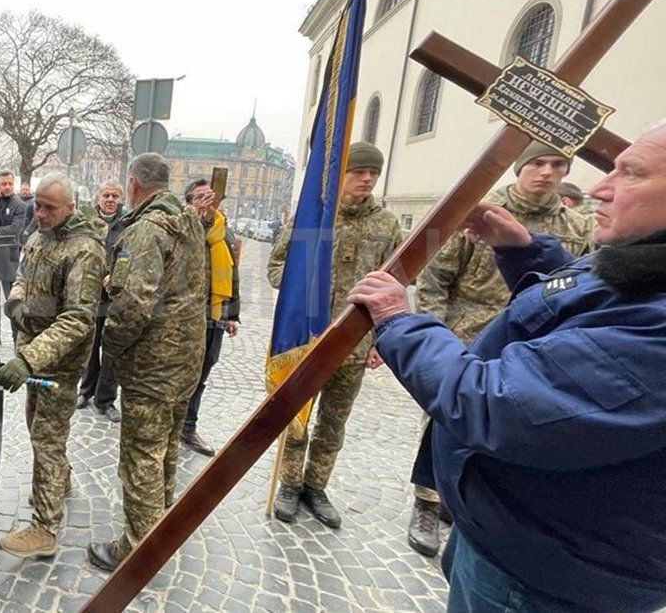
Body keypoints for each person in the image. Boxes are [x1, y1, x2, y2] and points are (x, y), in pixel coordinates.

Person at [347, 124, 666, 612]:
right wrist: (528, 254)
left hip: (546, 575)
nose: (600, 186)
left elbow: (498, 403)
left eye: (632, 173)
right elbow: (587, 305)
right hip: (507, 531)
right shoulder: (640, 262)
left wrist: (399, 323)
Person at [407, 142, 593, 556]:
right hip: (468, 335)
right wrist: (435, 333)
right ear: (519, 167)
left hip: (536, 344)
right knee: (445, 419)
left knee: (510, 424)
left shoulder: (578, 226)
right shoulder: (481, 212)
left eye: (557, 164)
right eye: (537, 163)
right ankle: (427, 501)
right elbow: (436, 279)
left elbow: (584, 284)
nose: (546, 172)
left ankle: (469, 504)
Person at [268, 141, 402, 529]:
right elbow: (277, 265)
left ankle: (316, 486)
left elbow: (395, 284)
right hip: (308, 339)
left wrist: (383, 336)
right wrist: (296, 290)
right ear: (341, 173)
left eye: (373, 173)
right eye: (359, 171)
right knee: (297, 418)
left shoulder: (386, 224)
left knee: (333, 422)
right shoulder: (313, 217)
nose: (367, 179)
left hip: (354, 344)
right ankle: (290, 484)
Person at [87, 153, 207, 572]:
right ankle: (162, 527)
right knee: (166, 448)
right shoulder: (188, 221)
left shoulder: (145, 230)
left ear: (133, 185)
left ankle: (138, 552)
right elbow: (176, 285)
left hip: (153, 366)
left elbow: (134, 305)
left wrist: (111, 348)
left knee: (140, 455)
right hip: (186, 359)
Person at [0, 173, 106, 558]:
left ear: (71, 208)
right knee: (35, 425)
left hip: (59, 364)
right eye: (38, 205)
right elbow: (22, 275)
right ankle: (60, 480)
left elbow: (78, 319)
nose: (39, 213)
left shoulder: (85, 251)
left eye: (49, 208)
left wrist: (28, 359)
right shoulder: (40, 234)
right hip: (34, 350)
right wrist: (16, 303)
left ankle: (44, 529)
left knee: (47, 438)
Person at [178, 178, 241, 457]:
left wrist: (233, 313)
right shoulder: (181, 226)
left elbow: (232, 270)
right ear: (189, 202)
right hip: (184, 314)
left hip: (214, 312)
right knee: (180, 371)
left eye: (209, 196)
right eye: (199, 197)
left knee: (204, 369)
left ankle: (188, 426)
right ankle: (170, 423)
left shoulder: (223, 228)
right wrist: (196, 217)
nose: (206, 202)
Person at [77, 181, 125, 422]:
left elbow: (130, 255)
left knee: (112, 348)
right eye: (106, 195)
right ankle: (85, 390)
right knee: (89, 344)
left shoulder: (128, 225)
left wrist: (115, 277)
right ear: (98, 198)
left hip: (116, 296)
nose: (110, 199)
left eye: (115, 196)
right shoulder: (87, 223)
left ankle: (105, 400)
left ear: (120, 200)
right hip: (90, 293)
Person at [0, 171, 28, 338]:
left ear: (14, 184)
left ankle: (16, 337)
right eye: (3, 183)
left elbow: (15, 229)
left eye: (9, 183)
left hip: (10, 257)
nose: (7, 187)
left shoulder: (20, 205)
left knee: (12, 300)